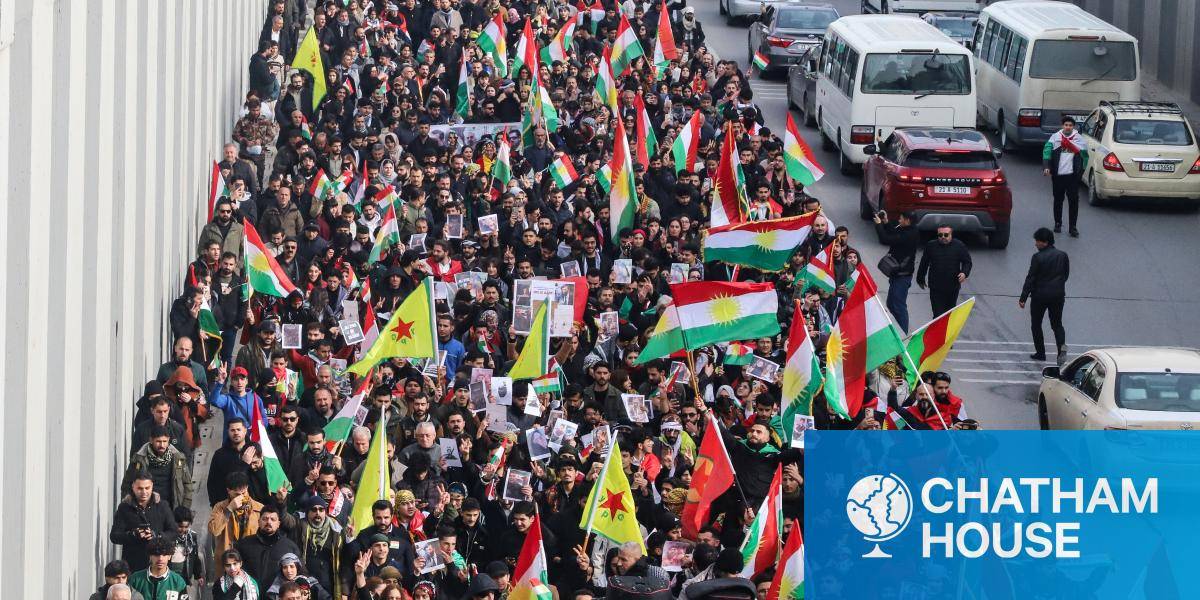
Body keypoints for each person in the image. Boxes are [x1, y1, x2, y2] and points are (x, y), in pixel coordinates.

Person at [1020, 227, 1070, 364]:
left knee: (1036, 324)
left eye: (1038, 241)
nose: (1036, 244)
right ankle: (1061, 350)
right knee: (1057, 324)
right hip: (1058, 296)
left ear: (1045, 242)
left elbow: (1031, 278)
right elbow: (1065, 275)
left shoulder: (1037, 257)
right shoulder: (1063, 255)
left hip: (1039, 297)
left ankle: (1040, 353)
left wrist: (1023, 297)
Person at [873, 209, 919, 332]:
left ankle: (903, 334)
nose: (899, 220)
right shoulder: (906, 230)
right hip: (897, 274)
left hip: (903, 276)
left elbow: (886, 239)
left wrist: (878, 225)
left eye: (901, 218)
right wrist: (886, 222)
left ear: (907, 220)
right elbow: (894, 234)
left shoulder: (910, 234)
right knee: (891, 304)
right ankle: (896, 330)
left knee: (898, 306)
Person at [1042, 115, 1088, 237]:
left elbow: (1085, 157)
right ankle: (1058, 223)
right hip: (1058, 176)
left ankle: (1073, 227)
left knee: (1073, 201)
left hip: (1072, 177)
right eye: (1066, 125)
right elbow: (1047, 152)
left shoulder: (1079, 140)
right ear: (1063, 126)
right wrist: (1047, 167)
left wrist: (1080, 173)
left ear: (1073, 127)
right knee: (1058, 200)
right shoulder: (1055, 138)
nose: (1068, 127)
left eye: (1070, 125)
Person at [916, 224, 972, 318]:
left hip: (952, 287)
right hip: (936, 288)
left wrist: (964, 273)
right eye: (940, 235)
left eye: (946, 235)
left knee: (950, 315)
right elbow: (924, 263)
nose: (943, 237)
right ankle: (937, 332)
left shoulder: (959, 246)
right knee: (938, 315)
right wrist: (920, 279)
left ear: (951, 235)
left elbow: (967, 262)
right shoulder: (931, 246)